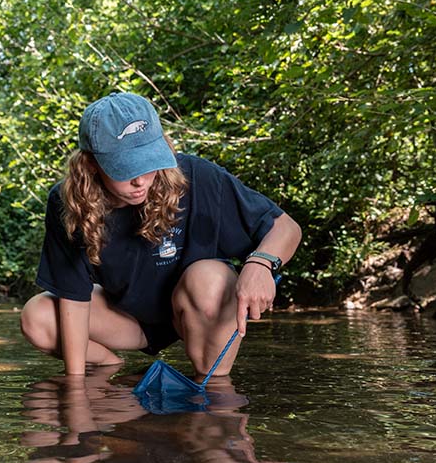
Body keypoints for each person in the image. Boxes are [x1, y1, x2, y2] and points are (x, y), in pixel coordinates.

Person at [20, 92, 301, 377]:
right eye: (126, 168)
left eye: (148, 161)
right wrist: (77, 391)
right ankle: (109, 368)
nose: (140, 180)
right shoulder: (66, 203)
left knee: (211, 277)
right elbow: (74, 297)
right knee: (37, 316)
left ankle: (214, 384)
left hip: (199, 308)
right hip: (129, 320)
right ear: (92, 164)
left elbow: (286, 227)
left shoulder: (198, 175)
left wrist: (261, 263)